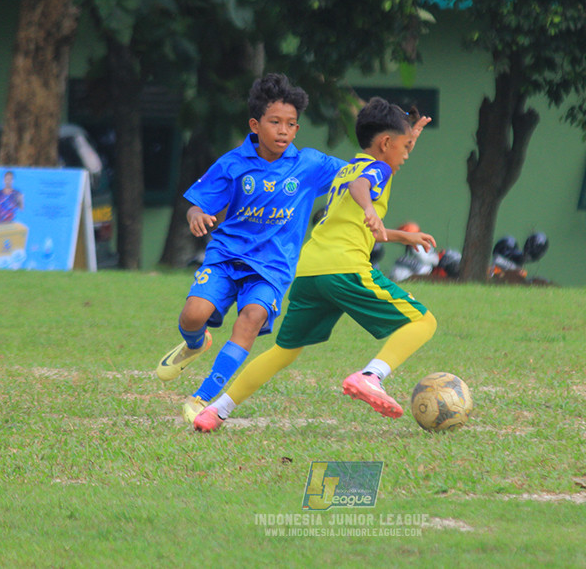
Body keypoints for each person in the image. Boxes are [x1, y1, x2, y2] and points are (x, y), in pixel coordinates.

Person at [192, 96, 437, 432]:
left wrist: (401, 236)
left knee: (284, 350)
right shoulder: (374, 171)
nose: (407, 156)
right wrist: (369, 208)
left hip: (309, 271)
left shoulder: (349, 168)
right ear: (385, 143)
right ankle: (371, 375)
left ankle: (216, 410)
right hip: (344, 268)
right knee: (424, 322)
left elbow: (359, 223)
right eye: (406, 148)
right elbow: (363, 188)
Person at [155, 73, 347, 422]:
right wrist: (196, 216)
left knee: (252, 317)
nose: (283, 130)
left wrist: (389, 153)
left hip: (272, 268)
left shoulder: (310, 165)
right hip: (226, 257)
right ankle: (196, 343)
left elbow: (358, 175)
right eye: (275, 122)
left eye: (291, 124)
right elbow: (198, 204)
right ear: (255, 125)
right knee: (194, 315)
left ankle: (204, 398)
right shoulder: (232, 164)